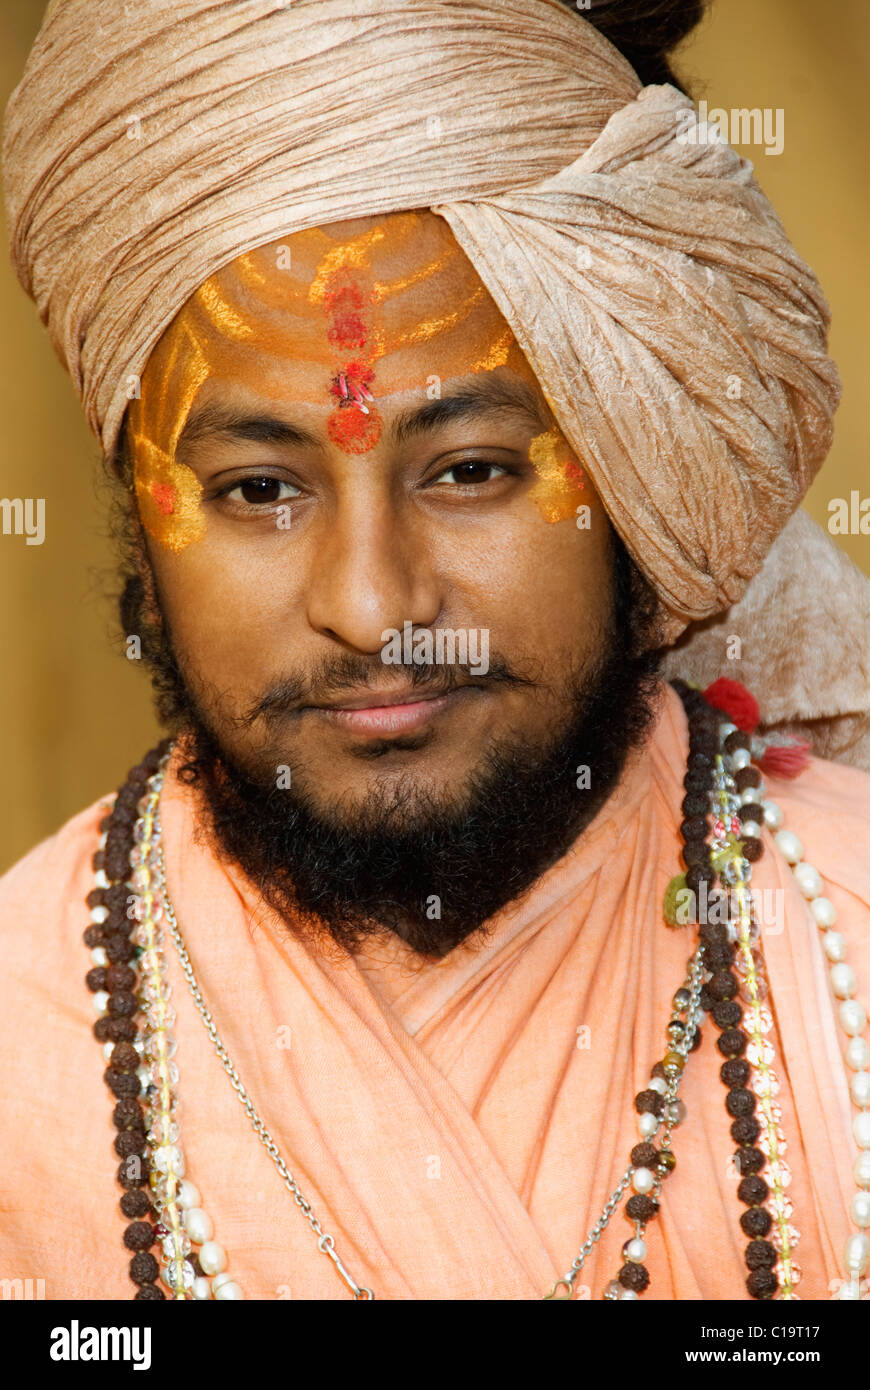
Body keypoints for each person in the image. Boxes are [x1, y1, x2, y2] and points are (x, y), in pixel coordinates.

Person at [1, 0, 869, 1303]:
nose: (371, 602)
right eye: (254, 489)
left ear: (632, 466)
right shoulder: (24, 1035)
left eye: (468, 468)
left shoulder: (843, 952)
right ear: (144, 521)